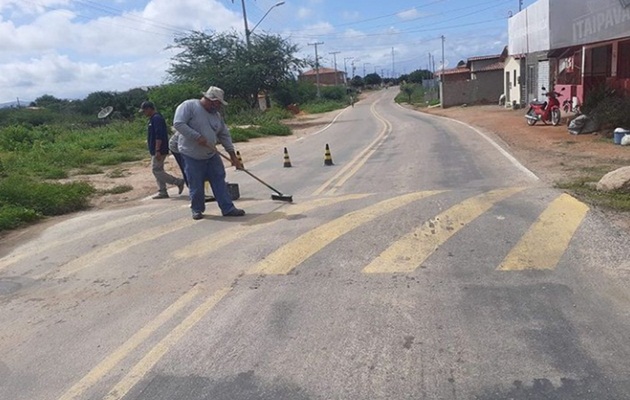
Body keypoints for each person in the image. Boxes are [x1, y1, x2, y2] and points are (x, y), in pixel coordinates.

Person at [173, 86, 245, 220]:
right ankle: (197, 209)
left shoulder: (216, 115)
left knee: (219, 180)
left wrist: (232, 155)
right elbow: (178, 124)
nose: (219, 107)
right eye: (218, 103)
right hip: (191, 155)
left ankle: (228, 208)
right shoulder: (189, 106)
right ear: (210, 100)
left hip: (211, 155)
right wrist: (196, 136)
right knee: (196, 184)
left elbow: (224, 135)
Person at [140, 101, 185, 199]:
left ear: (149, 109)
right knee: (158, 169)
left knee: (156, 170)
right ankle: (162, 191)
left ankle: (178, 181)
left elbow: (159, 136)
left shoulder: (157, 119)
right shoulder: (153, 119)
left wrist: (157, 150)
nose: (144, 113)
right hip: (156, 149)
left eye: (144, 111)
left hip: (159, 149)